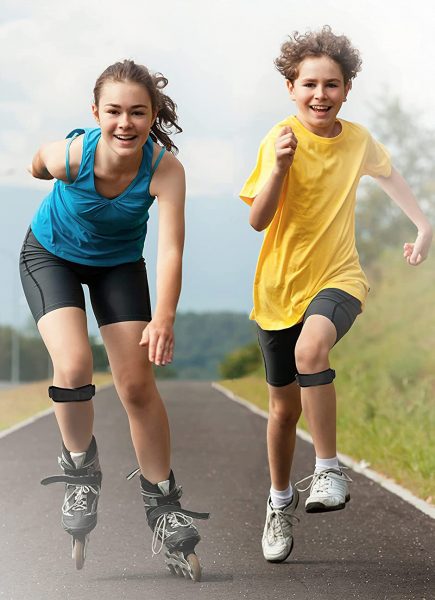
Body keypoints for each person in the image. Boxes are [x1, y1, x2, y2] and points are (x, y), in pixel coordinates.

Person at [239, 26, 432, 563]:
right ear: (290, 87)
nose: (320, 94)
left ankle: (328, 470)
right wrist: (278, 166)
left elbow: (390, 176)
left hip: (339, 277)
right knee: (282, 411)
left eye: (332, 84)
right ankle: (279, 502)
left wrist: (422, 225)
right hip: (278, 290)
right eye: (309, 84)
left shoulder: (359, 140)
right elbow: (257, 221)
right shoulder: (277, 139)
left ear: (347, 89)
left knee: (312, 351)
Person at [20, 59, 208, 580]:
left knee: (136, 386)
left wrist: (163, 317)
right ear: (96, 113)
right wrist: (42, 167)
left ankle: (164, 507)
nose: (125, 123)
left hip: (119, 266)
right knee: (76, 364)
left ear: (153, 115)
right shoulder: (76, 154)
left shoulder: (164, 169)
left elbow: (170, 249)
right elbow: (38, 159)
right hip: (50, 256)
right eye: (114, 112)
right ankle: (81, 470)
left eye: (137, 113)